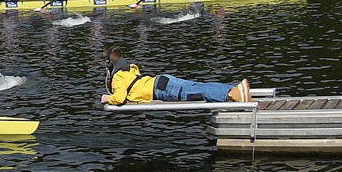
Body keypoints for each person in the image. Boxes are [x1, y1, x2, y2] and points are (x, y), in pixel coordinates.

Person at [101, 48, 248, 104]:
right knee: (197, 86)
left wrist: (108, 98)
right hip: (162, 80)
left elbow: (119, 97)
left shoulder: (118, 76)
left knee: (195, 93)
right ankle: (233, 89)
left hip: (161, 89)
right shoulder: (130, 69)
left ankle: (230, 95)